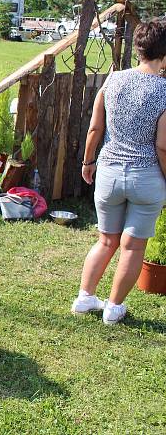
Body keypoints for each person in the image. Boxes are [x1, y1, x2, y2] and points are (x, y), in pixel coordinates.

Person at [72, 18, 166, 325]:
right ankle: (113, 308)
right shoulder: (164, 91)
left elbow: (95, 128)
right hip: (146, 176)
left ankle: (85, 298)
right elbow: (163, 146)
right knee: (133, 245)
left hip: (109, 172)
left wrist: (88, 163)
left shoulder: (112, 81)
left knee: (105, 240)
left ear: (139, 48)